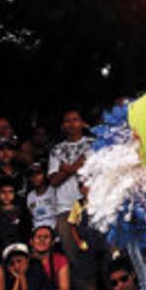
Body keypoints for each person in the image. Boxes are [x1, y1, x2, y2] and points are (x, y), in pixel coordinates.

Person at [48, 110, 93, 265]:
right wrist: (77, 165)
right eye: (67, 121)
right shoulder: (56, 150)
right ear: (62, 126)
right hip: (65, 209)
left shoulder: (93, 144)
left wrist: (66, 167)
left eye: (75, 120)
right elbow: (53, 180)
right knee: (75, 260)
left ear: (82, 123)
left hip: (92, 206)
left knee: (101, 254)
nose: (72, 124)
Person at [26, 162, 57, 231]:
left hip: (54, 230)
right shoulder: (29, 196)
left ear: (45, 174)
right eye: (32, 174)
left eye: (38, 173)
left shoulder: (54, 191)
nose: (35, 177)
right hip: (37, 232)